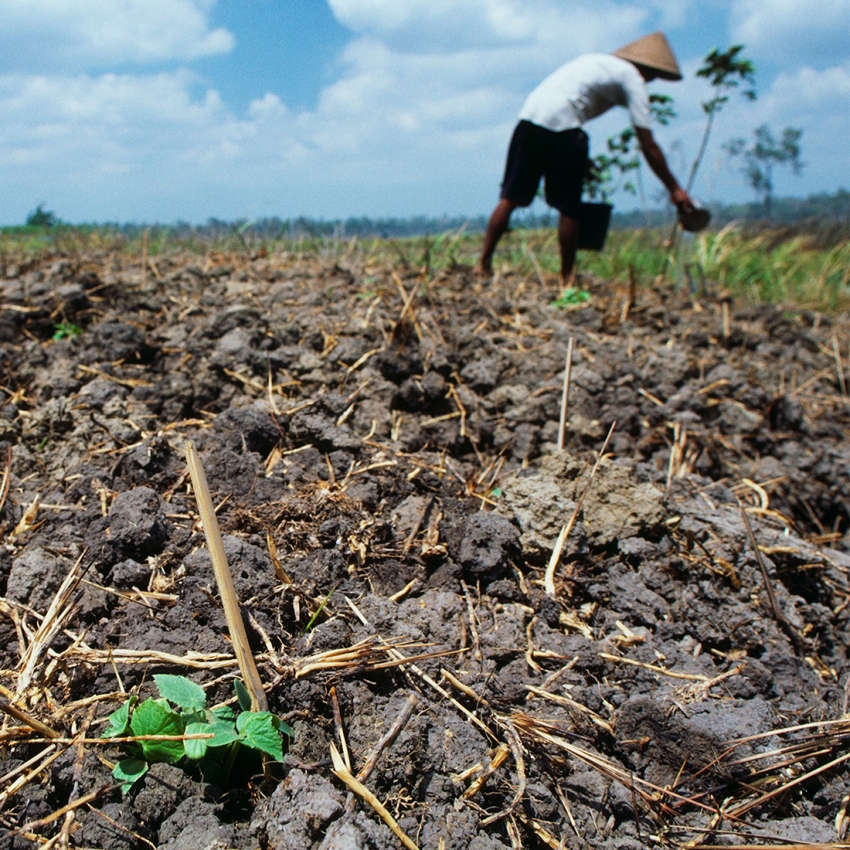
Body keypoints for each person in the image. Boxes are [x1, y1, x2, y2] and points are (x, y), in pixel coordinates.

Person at [475, 31, 696, 286]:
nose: (649, 82)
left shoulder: (598, 64)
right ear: (649, 70)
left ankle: (483, 263)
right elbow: (648, 143)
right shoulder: (632, 78)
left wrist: (582, 160)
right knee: (570, 209)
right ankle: (567, 278)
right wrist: (674, 188)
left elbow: (567, 105)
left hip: (528, 121)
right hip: (564, 129)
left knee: (509, 198)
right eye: (653, 77)